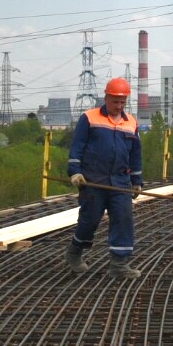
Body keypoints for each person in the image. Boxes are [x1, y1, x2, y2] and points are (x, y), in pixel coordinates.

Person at [65, 77, 143, 277]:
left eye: (122, 102)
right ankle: (75, 251)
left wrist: (136, 182)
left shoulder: (131, 122)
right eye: (115, 102)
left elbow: (135, 154)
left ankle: (119, 265)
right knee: (89, 220)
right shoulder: (90, 118)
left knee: (123, 219)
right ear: (106, 98)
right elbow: (77, 146)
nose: (118, 106)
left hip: (120, 182)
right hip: (93, 181)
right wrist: (75, 172)